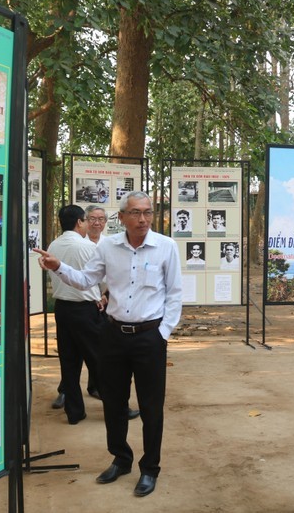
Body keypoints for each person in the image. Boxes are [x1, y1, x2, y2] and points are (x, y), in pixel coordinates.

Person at [34, 191, 182, 498]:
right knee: (114, 403)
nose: (142, 219)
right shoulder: (110, 248)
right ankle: (121, 459)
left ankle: (150, 468)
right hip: (113, 336)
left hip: (149, 338)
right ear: (123, 217)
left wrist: (163, 332)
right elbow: (86, 280)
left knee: (151, 407)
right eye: (136, 213)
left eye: (147, 213)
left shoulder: (166, 247)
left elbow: (175, 293)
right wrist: (58, 266)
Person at [45, 205, 103, 425]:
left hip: (62, 309)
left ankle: (74, 412)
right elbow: (101, 279)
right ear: (80, 222)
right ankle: (117, 408)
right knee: (99, 361)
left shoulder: (53, 245)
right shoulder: (88, 247)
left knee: (68, 363)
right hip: (86, 310)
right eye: (88, 220)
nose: (91, 224)